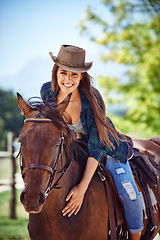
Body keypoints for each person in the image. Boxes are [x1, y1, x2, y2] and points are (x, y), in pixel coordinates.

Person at [40, 44, 143, 240]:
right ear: (55, 73)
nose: (68, 80)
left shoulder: (91, 99)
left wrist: (81, 189)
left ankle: (136, 237)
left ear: (82, 77)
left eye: (74, 75)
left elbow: (96, 148)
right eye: (63, 73)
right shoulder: (47, 92)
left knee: (128, 192)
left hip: (106, 148)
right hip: (75, 148)